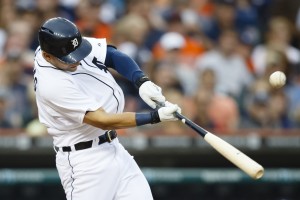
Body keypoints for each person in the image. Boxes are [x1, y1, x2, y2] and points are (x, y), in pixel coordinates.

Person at [33, 17, 181, 200]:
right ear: (48, 57)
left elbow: (111, 55)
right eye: (70, 59)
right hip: (85, 163)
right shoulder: (51, 84)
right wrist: (154, 117)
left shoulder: (59, 46)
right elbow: (102, 120)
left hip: (115, 148)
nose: (77, 61)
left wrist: (141, 80)